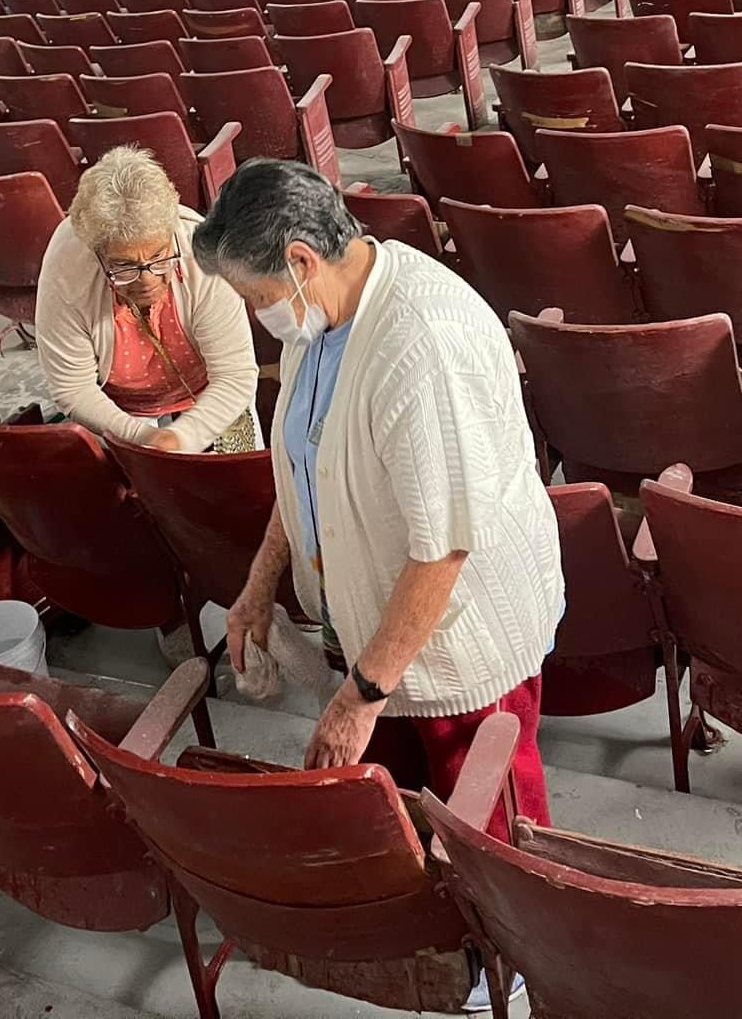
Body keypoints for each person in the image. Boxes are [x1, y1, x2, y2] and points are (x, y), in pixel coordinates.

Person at [194, 158, 563, 826]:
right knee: (406, 822)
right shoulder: (322, 319)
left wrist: (359, 697)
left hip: (455, 644)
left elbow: (443, 550)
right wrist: (258, 583)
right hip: (378, 641)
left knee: (489, 834)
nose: (256, 312)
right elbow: (309, 468)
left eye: (255, 295)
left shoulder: (421, 345)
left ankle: (501, 931)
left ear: (302, 262)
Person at [36, 147, 257, 453]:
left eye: (158, 257)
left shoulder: (200, 254)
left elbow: (234, 374)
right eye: (125, 266)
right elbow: (73, 387)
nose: (148, 281)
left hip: (209, 394)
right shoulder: (68, 266)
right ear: (98, 254)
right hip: (117, 408)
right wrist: (144, 439)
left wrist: (181, 438)